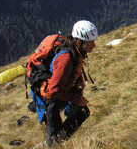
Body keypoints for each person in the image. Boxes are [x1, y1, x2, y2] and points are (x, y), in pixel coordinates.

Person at [36, 20, 98, 148]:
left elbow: (73, 69)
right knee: (53, 138)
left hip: (61, 92)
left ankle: (59, 140)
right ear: (80, 42)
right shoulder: (66, 58)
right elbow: (53, 90)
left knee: (82, 112)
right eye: (90, 42)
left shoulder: (76, 51)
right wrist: (77, 98)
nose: (94, 45)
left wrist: (79, 79)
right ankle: (54, 142)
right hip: (50, 98)